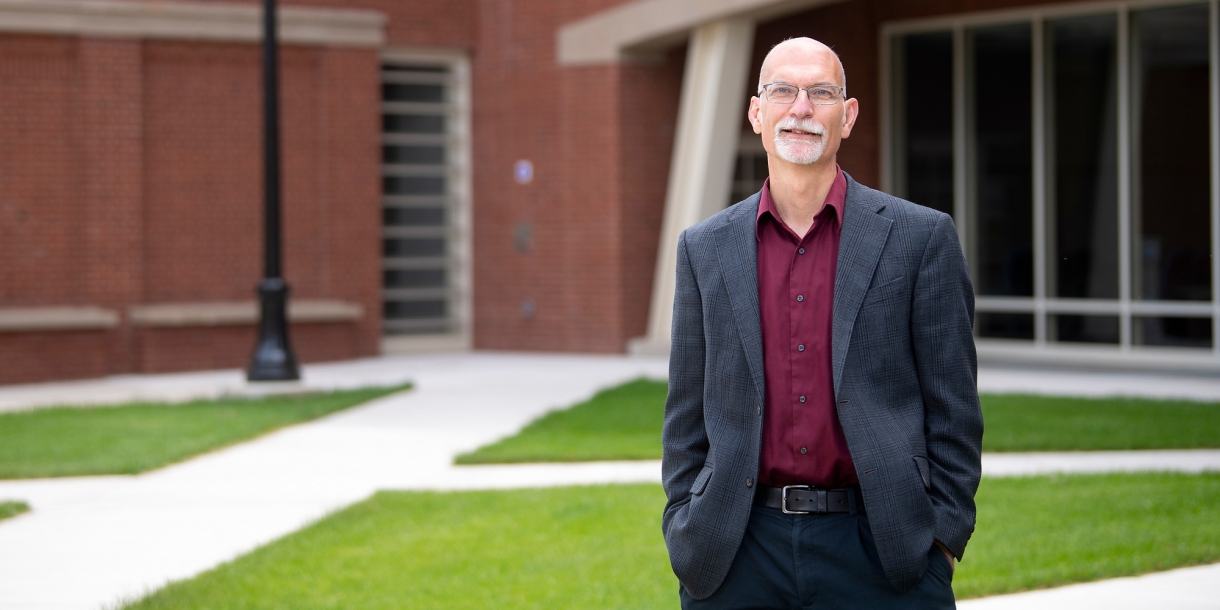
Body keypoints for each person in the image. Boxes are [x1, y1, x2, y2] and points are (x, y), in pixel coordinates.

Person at [661, 37, 983, 609]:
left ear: (848, 116)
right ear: (757, 113)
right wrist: (684, 525)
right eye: (782, 90)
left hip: (881, 554)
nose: (801, 108)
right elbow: (686, 413)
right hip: (736, 552)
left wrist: (941, 537)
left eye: (821, 93)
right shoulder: (703, 249)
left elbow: (953, 409)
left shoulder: (921, 239)